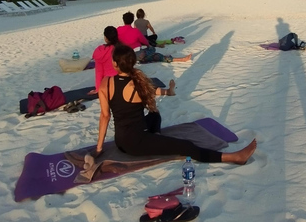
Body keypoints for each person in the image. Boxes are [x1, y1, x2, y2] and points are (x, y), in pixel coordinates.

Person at [96, 45, 256, 164]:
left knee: (154, 115)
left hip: (121, 141)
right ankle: (234, 157)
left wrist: (99, 148)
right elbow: (157, 92)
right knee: (186, 146)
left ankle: (155, 139)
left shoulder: (105, 83)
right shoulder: (138, 85)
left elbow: (105, 116)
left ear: (116, 64)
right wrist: (169, 91)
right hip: (136, 144)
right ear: (133, 63)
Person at [118, 12, 191, 63]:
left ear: (123, 20)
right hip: (137, 55)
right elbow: (145, 42)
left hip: (123, 55)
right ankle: (180, 59)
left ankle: (181, 59)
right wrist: (148, 46)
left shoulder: (118, 29)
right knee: (155, 53)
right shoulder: (135, 31)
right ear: (132, 20)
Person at [88, 26, 119, 96]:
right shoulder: (121, 48)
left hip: (108, 82)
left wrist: (98, 89)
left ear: (106, 38)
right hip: (122, 80)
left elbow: (99, 72)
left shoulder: (100, 51)